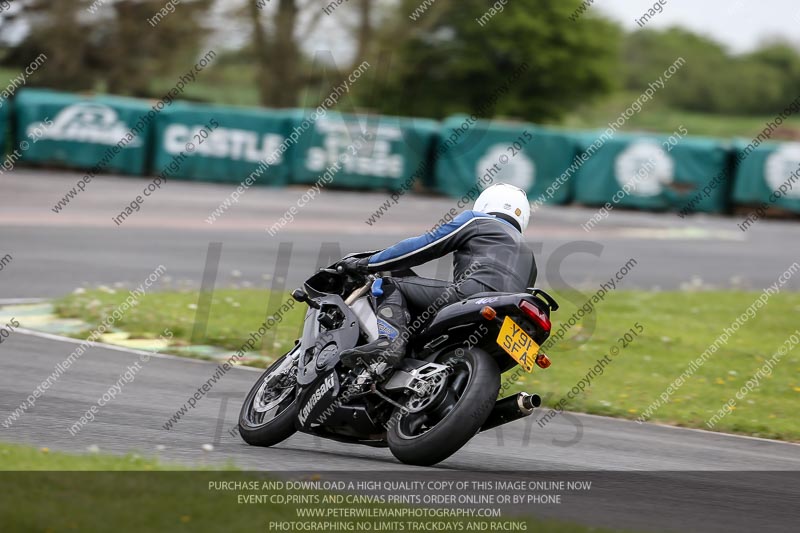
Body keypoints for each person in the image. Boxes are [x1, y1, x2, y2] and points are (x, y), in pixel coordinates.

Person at [337, 183, 537, 372]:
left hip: (474, 295)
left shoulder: (476, 221)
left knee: (387, 284)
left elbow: (423, 246)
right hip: (509, 317)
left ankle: (390, 343)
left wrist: (367, 263)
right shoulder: (530, 256)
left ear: (485, 203)